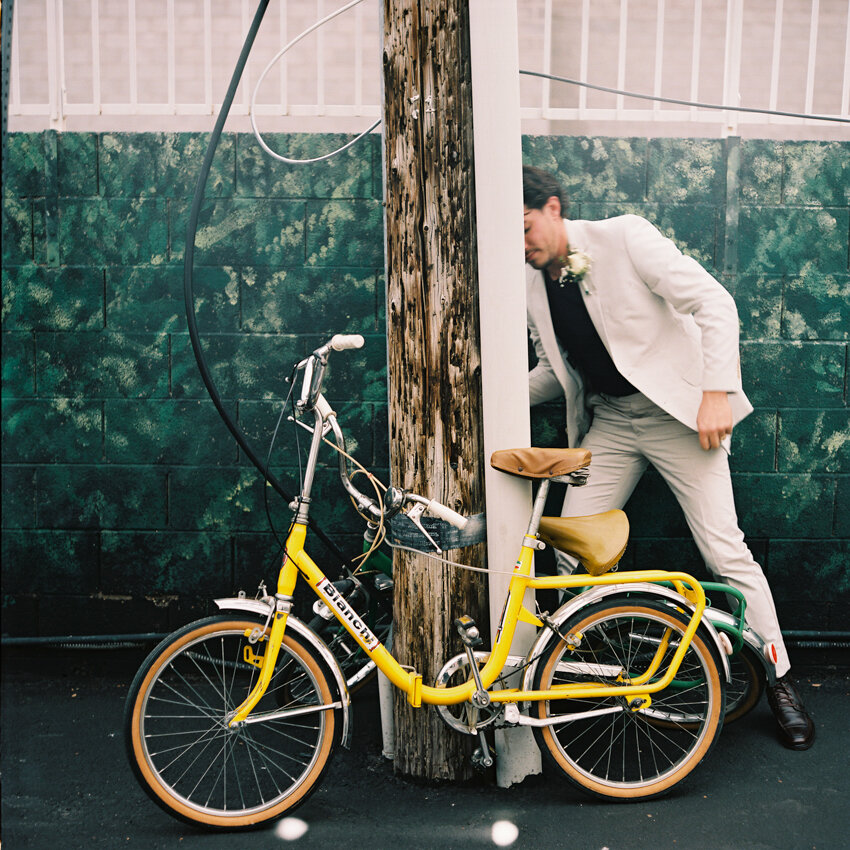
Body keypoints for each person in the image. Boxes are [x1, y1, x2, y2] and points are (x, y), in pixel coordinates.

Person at [522, 164, 814, 751]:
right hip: (610, 424)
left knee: (724, 549)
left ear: (553, 208)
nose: (519, 243)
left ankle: (781, 680)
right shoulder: (530, 285)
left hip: (679, 419)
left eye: (524, 226)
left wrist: (715, 393)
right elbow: (557, 374)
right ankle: (590, 679)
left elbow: (715, 303)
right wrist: (487, 395)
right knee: (566, 548)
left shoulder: (624, 237)